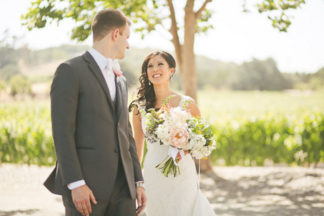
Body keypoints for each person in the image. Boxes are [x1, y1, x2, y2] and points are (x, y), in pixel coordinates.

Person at [44, 9, 146, 216]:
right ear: (115, 34)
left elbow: (126, 133)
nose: (128, 44)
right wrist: (76, 183)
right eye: (127, 37)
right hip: (87, 189)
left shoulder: (121, 78)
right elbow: (62, 132)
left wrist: (137, 180)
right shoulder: (70, 71)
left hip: (123, 189)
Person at [129, 51, 216, 216]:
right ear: (146, 73)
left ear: (171, 70)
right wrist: (138, 181)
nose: (155, 69)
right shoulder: (139, 107)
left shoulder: (187, 103)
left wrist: (188, 145)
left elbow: (202, 140)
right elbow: (137, 148)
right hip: (153, 172)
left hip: (182, 173)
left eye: (160, 64)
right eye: (150, 66)